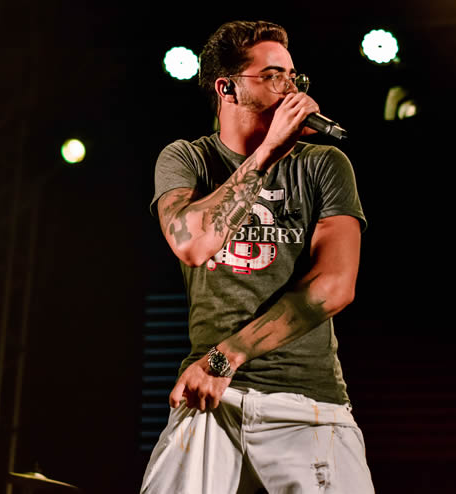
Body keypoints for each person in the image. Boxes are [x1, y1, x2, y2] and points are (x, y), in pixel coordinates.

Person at [142, 20, 374, 494]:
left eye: (293, 76)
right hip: (210, 403)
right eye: (272, 76)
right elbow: (193, 244)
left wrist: (227, 356)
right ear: (227, 88)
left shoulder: (323, 165)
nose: (290, 89)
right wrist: (267, 153)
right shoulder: (187, 159)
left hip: (304, 402)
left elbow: (335, 286)